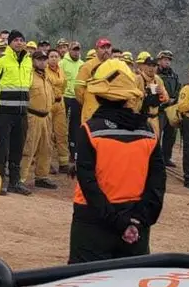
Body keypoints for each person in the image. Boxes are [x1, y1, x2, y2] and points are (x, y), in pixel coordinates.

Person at [69, 59, 166, 263]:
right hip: (135, 220)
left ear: (98, 95)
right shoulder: (148, 131)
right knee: (129, 286)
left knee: (86, 285)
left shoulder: (90, 130)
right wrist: (139, 221)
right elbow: (157, 182)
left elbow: (88, 182)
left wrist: (117, 221)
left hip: (93, 221)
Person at [0, 30, 34, 195]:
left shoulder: (28, 61)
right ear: (10, 43)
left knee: (17, 148)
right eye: (16, 40)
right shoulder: (0, 60)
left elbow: (28, 83)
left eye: (22, 40)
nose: (19, 43)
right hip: (4, 112)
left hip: (21, 113)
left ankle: (15, 182)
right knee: (2, 148)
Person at [20, 46, 59, 189]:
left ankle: (42, 176)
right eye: (39, 59)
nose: (42, 62)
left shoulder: (47, 76)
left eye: (44, 59)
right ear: (33, 61)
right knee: (29, 148)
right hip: (33, 115)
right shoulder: (29, 75)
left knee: (46, 148)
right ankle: (21, 178)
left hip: (46, 116)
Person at [76, 38, 113, 122]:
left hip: (110, 109)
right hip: (92, 110)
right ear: (96, 50)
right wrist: (88, 102)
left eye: (108, 47)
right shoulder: (87, 66)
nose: (106, 50)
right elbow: (78, 88)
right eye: (103, 48)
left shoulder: (114, 65)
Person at [47, 48, 71, 172]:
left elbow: (64, 84)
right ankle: (47, 163)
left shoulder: (61, 71)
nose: (54, 58)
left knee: (62, 133)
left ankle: (63, 163)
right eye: (51, 56)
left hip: (60, 103)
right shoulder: (44, 71)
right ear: (47, 59)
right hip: (49, 104)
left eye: (56, 56)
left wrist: (59, 94)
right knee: (48, 135)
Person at [155, 51, 180, 170]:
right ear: (159, 60)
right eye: (165, 59)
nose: (167, 62)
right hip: (159, 109)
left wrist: (174, 99)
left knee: (171, 134)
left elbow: (178, 88)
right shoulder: (154, 73)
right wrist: (163, 101)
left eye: (169, 60)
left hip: (171, 109)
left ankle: (166, 157)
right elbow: (154, 90)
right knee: (157, 133)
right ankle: (155, 157)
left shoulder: (174, 75)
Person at [61, 41, 84, 166]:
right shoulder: (62, 63)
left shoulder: (82, 64)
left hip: (77, 98)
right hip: (65, 97)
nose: (76, 52)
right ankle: (63, 154)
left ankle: (73, 152)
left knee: (75, 126)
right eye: (74, 49)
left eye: (78, 49)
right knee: (63, 126)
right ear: (69, 50)